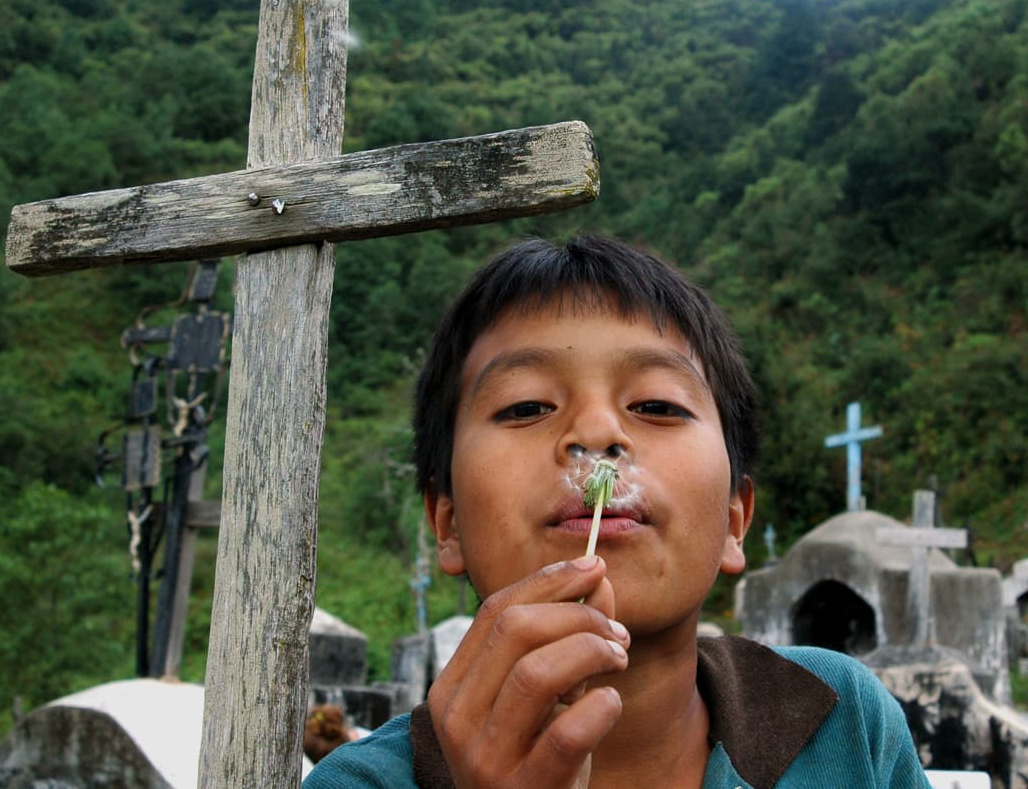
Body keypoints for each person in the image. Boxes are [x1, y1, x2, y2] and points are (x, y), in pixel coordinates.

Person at [304, 235, 929, 787]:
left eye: (657, 405)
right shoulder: (359, 784)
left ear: (735, 520)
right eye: (526, 407)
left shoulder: (842, 720)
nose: (597, 434)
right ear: (447, 523)